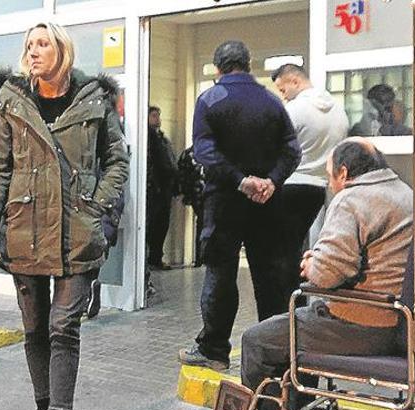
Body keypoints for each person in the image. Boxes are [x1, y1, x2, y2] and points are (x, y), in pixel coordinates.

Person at [0, 22, 129, 410]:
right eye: (28, 45)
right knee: (35, 328)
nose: (33, 51)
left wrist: (96, 205)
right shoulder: (10, 99)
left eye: (42, 44)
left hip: (78, 231)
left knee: (65, 327)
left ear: (61, 49)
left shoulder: (95, 98)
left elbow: (117, 160)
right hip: (25, 228)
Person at [240, 138, 415, 410]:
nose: (330, 184)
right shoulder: (407, 194)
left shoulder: (353, 199)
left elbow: (326, 274)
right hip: (397, 319)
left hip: (362, 322)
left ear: (344, 173)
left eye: (330, 176)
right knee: (294, 338)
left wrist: (311, 264)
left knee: (257, 341)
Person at [177, 40, 300, 371]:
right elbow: (291, 150)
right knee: (269, 277)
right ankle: (274, 355)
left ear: (218, 68)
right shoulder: (272, 102)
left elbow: (205, 153)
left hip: (224, 202)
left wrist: (239, 180)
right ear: (248, 63)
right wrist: (271, 181)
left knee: (220, 273)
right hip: (267, 202)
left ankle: (214, 349)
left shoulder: (210, 100)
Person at [270, 63, 349, 293]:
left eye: (282, 89)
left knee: (286, 255)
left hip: (292, 186)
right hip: (323, 188)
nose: (282, 95)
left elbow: (275, 146)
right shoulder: (338, 109)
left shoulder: (293, 110)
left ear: (295, 81)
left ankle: (288, 309)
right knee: (314, 250)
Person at [146, 105, 177, 270]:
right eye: (153, 116)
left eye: (158, 115)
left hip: (165, 188)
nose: (157, 119)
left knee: (161, 225)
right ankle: (147, 259)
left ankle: (156, 257)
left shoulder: (162, 138)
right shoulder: (147, 139)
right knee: (150, 225)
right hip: (154, 188)